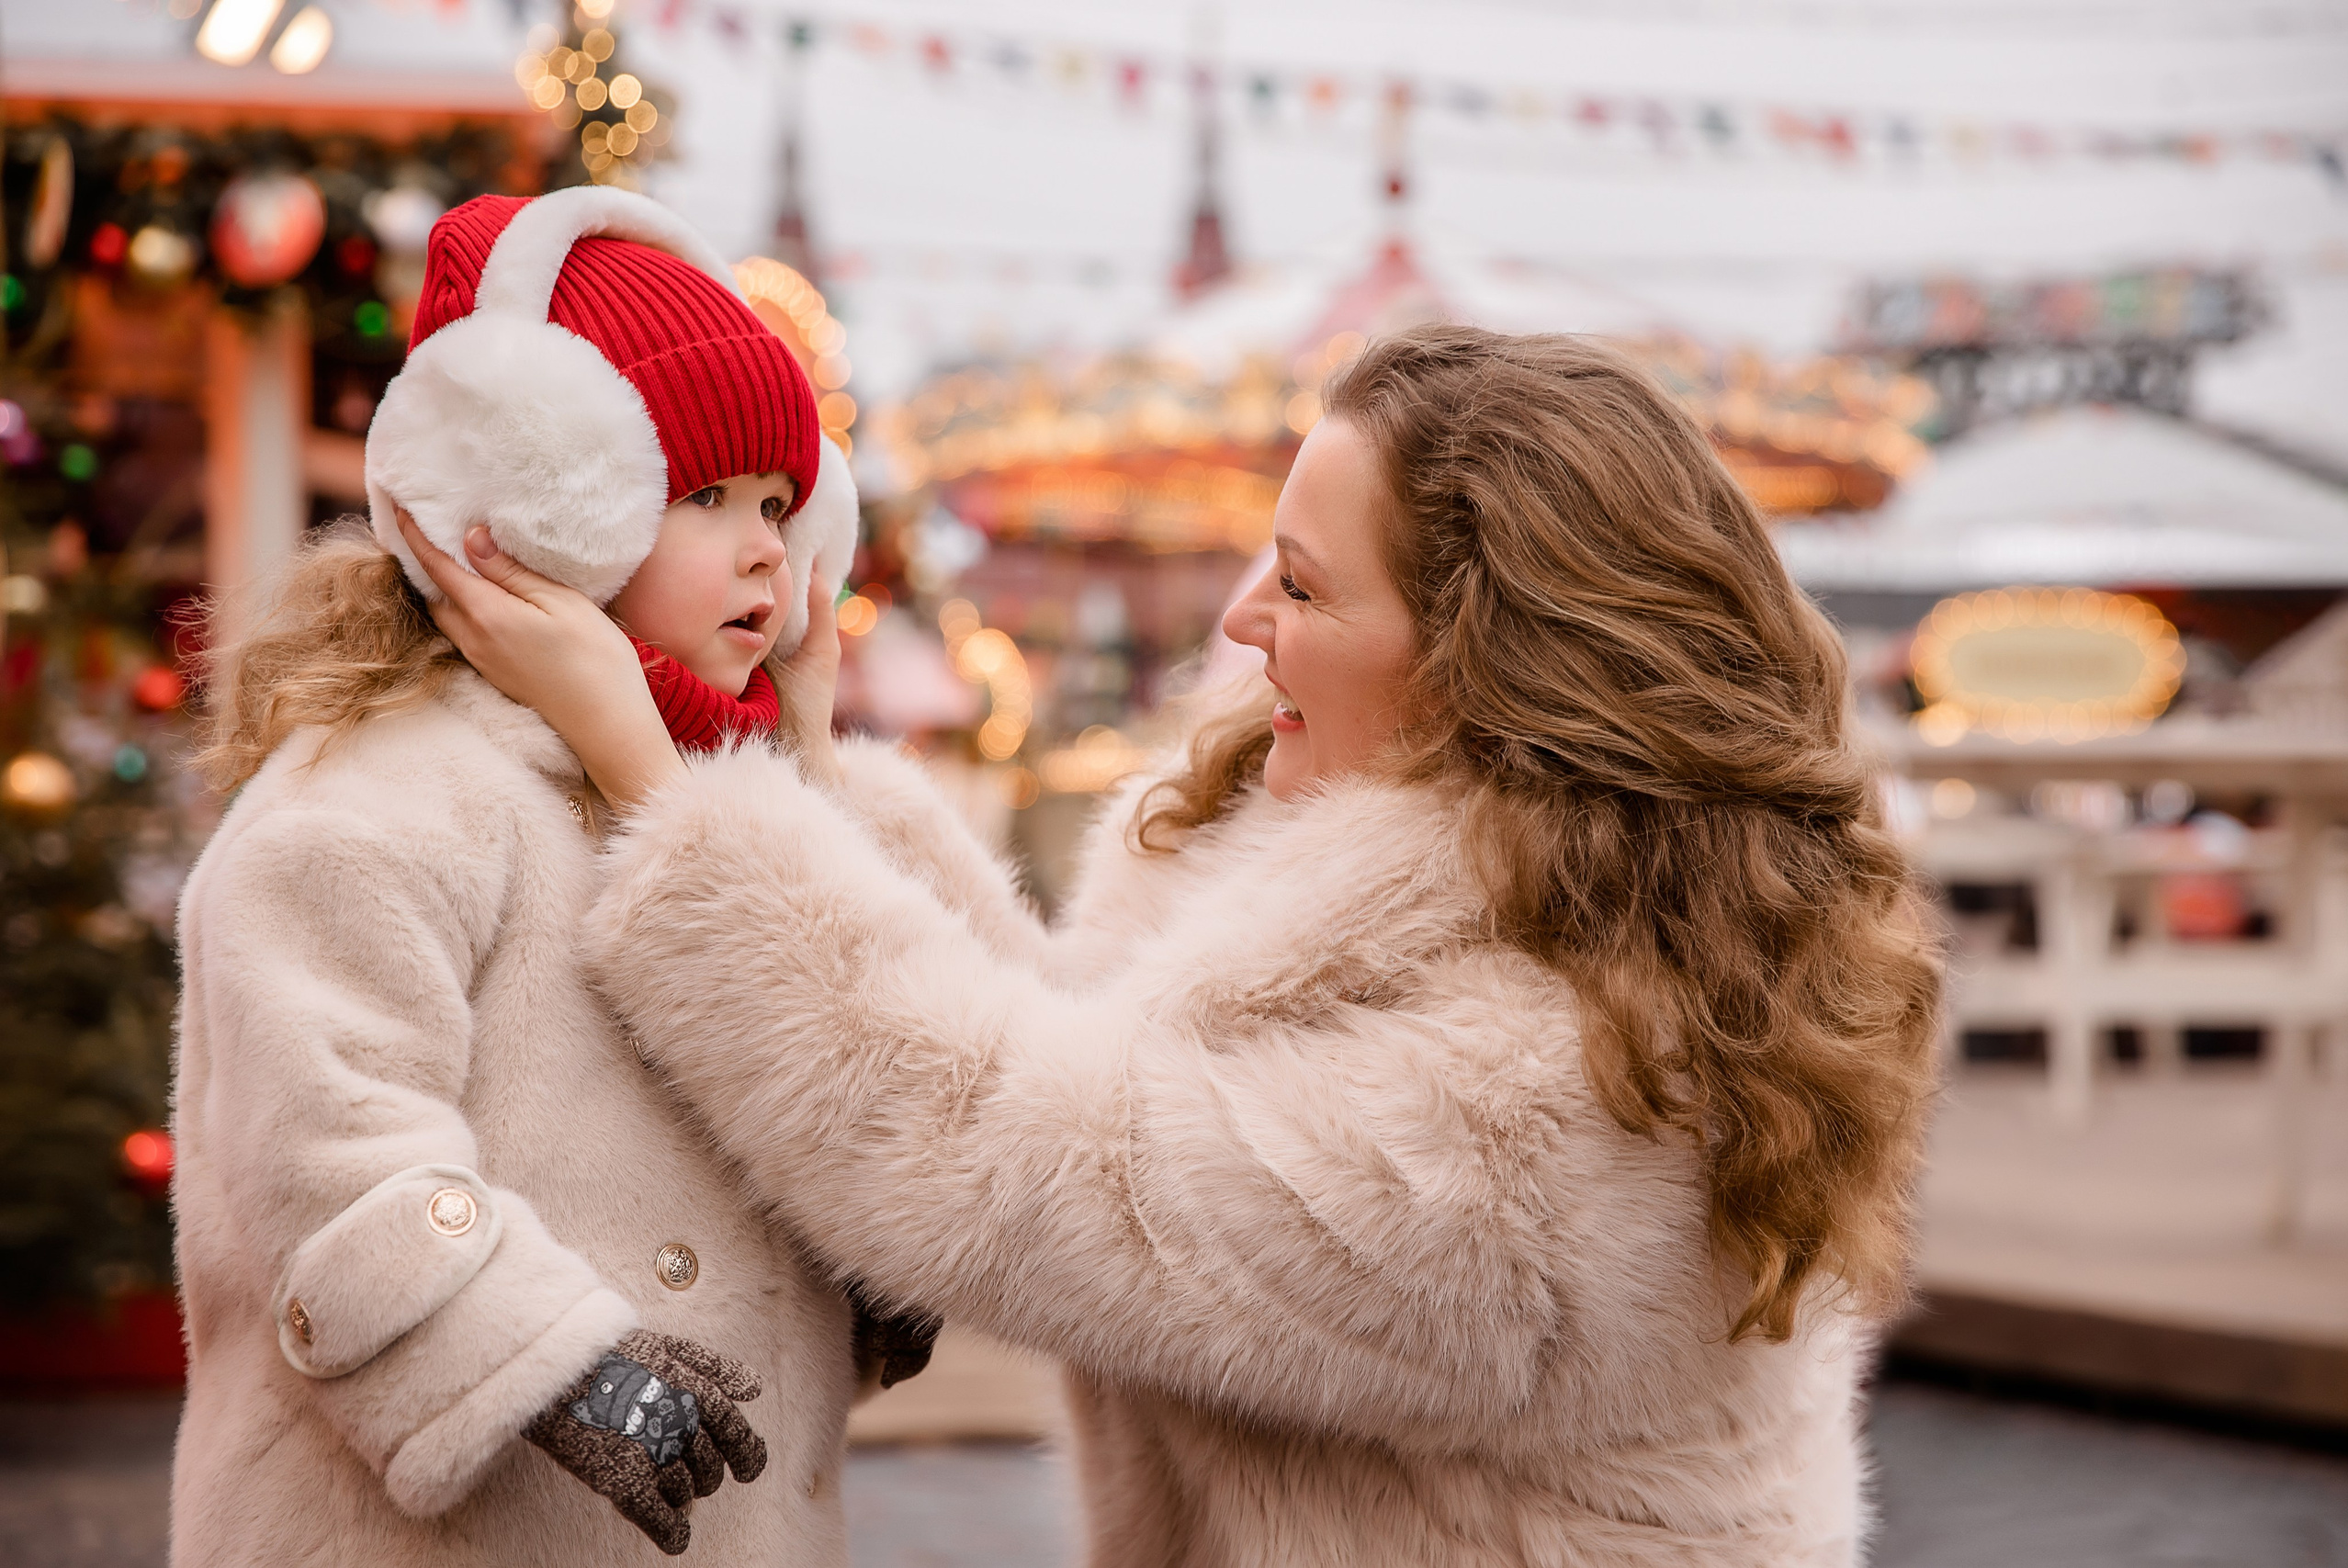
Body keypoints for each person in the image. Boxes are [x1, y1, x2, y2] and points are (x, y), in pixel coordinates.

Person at [412, 323, 1943, 1567]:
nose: (1241, 610)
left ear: (1486, 659)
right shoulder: (1468, 890)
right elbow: (1086, 1056)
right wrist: (802, 775)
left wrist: (658, 785)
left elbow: (1029, 1163)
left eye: (1304, 581)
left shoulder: (1562, 1102)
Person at [171, 186, 926, 1567]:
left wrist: (878, 1263)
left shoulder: (721, 804)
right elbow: (323, 1150)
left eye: (780, 501)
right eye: (705, 497)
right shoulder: (384, 795)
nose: (770, 544)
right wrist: (543, 1359)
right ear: (548, 505)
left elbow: (843, 1071)